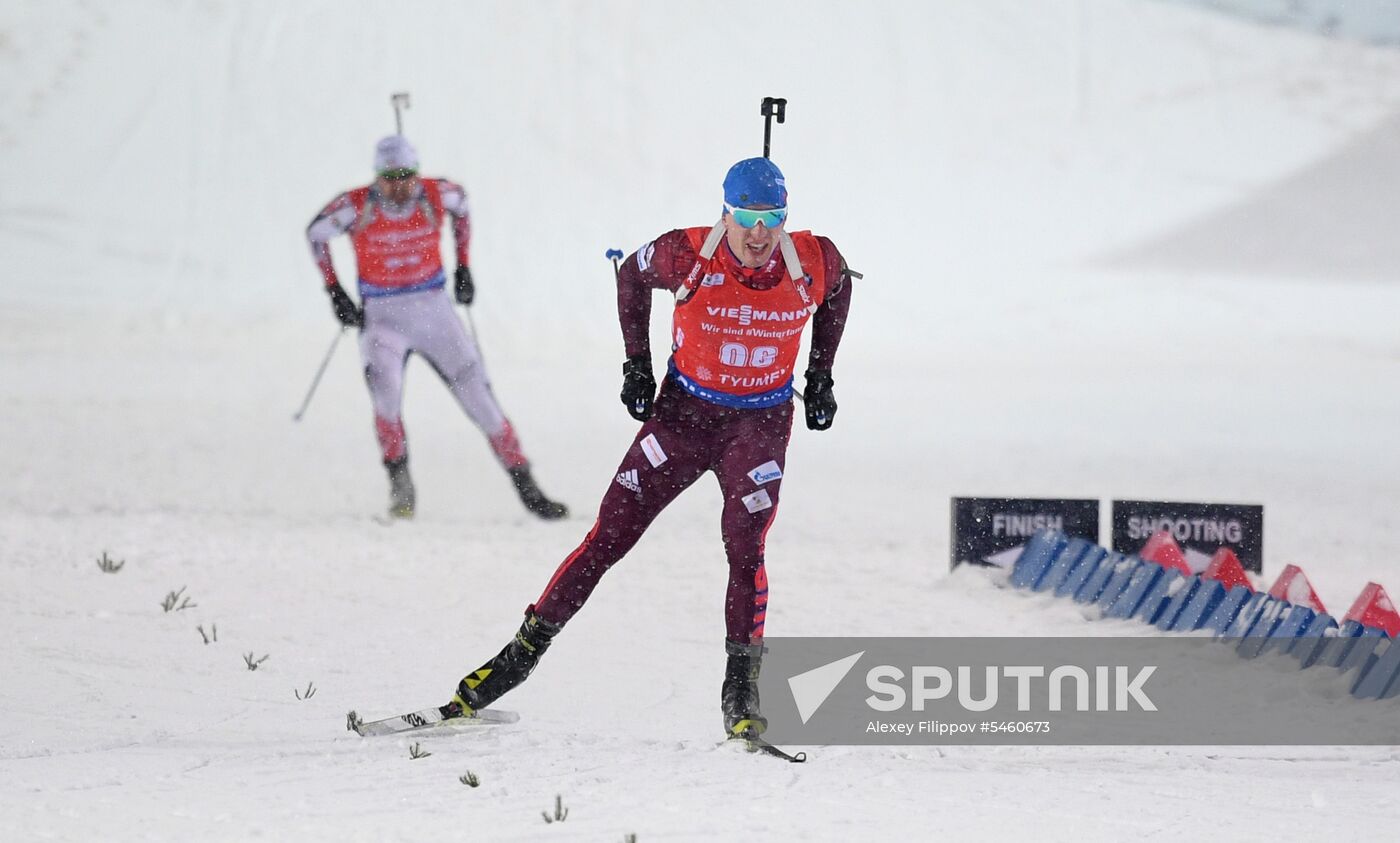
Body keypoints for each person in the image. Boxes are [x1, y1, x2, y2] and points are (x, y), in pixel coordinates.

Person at [440, 157, 853, 740]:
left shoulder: (813, 257)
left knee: (745, 545)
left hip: (757, 425)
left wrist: (822, 375)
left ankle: (741, 686)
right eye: (746, 217)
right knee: (609, 535)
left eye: (773, 218)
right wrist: (636, 364)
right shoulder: (685, 253)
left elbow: (839, 289)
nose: (760, 234)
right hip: (684, 417)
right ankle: (519, 657)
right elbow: (630, 275)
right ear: (726, 211)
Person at [306, 136, 567, 520]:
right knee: (386, 397)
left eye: (406, 176)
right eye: (390, 178)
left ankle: (527, 485)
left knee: (482, 400)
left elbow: (463, 207)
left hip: (434, 313)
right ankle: (400, 484)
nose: (399, 186)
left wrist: (464, 265)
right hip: (383, 317)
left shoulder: (435, 193)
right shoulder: (357, 204)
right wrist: (335, 292)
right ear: (376, 177)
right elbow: (316, 233)